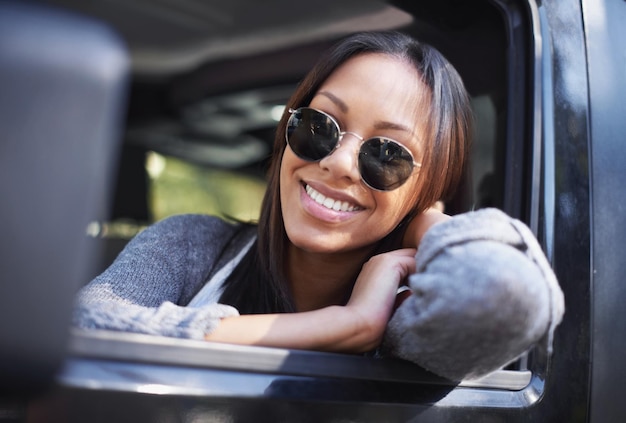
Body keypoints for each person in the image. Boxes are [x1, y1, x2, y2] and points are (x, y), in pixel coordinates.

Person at [74, 31, 564, 381]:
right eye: (319, 126)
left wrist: (427, 223)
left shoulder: (413, 314)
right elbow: (84, 325)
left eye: (388, 155)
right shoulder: (192, 244)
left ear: (426, 189)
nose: (340, 163)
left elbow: (506, 296)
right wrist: (342, 327)